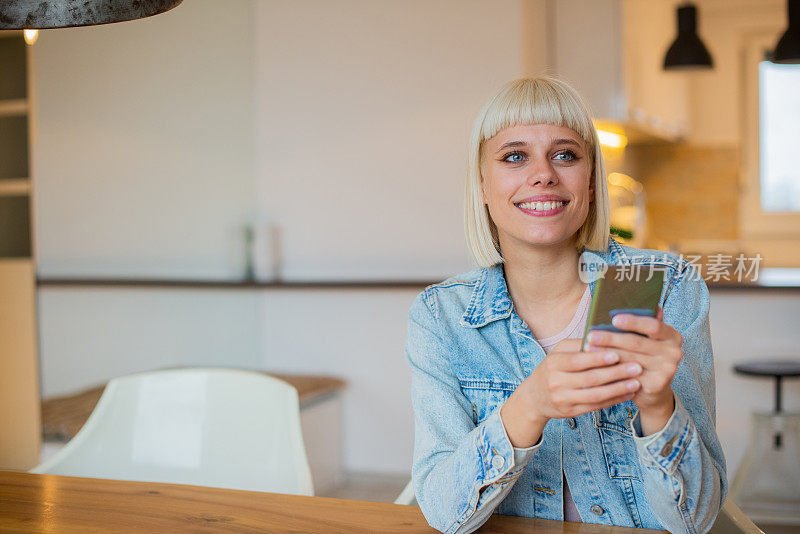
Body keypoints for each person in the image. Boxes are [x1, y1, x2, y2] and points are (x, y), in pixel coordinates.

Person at [404, 76, 727, 533]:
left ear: (591, 182)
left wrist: (657, 406)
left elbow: (696, 519)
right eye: (515, 156)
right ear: (482, 185)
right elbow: (442, 512)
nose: (544, 174)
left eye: (566, 155)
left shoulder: (660, 288)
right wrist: (529, 406)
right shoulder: (442, 317)